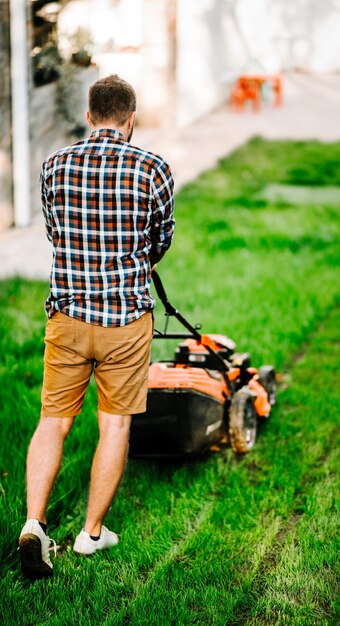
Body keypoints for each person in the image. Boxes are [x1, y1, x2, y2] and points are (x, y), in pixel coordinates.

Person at [18, 74, 175, 579]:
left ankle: (34, 525)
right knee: (114, 424)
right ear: (131, 118)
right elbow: (159, 240)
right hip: (124, 319)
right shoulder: (152, 168)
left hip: (67, 317)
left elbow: (54, 230)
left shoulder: (54, 166)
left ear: (89, 116)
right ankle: (90, 534)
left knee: (53, 421)